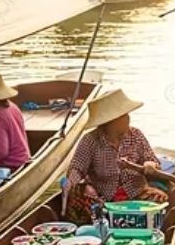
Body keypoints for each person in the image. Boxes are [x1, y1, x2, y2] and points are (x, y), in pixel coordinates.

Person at [62, 88, 167, 225]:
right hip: (103, 197)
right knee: (79, 199)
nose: (128, 118)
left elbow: (151, 159)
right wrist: (74, 185)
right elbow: (77, 168)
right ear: (110, 121)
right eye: (124, 115)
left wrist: (150, 165)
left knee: (160, 200)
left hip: (135, 194)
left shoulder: (136, 135)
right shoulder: (91, 140)